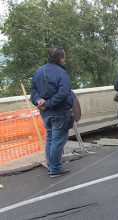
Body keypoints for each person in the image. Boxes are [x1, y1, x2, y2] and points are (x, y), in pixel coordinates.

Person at [30, 47, 73, 178]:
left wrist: (38, 101)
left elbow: (33, 90)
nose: (64, 60)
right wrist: (47, 104)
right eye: (63, 58)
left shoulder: (39, 71)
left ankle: (51, 166)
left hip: (45, 113)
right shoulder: (61, 73)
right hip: (59, 112)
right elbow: (63, 93)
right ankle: (55, 169)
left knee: (50, 139)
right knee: (58, 140)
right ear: (60, 58)